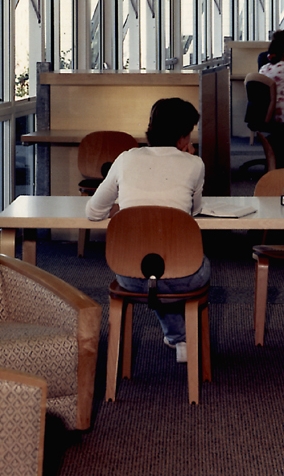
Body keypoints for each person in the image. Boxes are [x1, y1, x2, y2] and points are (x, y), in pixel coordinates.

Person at [86, 97, 208, 363]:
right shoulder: (195, 164)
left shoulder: (125, 159)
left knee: (156, 269)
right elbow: (194, 211)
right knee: (181, 266)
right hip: (183, 274)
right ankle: (182, 338)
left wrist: (127, 208)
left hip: (130, 273)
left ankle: (178, 337)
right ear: (183, 135)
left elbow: (93, 212)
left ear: (151, 128)